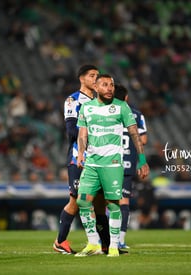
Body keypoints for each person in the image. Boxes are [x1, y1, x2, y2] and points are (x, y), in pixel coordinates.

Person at [75, 74, 150, 257]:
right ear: (96, 87)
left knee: (113, 205)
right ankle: (93, 244)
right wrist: (81, 154)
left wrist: (141, 160)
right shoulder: (86, 107)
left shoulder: (121, 107)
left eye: (112, 85)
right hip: (92, 163)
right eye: (105, 85)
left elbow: (135, 134)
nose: (109, 88)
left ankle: (114, 246)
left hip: (113, 164)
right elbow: (83, 134)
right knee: (82, 201)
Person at [53, 64, 111, 254]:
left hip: (100, 158)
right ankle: (60, 241)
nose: (96, 79)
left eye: (97, 76)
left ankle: (105, 244)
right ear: (82, 78)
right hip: (80, 157)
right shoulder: (73, 100)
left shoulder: (100, 101)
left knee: (101, 203)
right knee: (77, 201)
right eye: (92, 75)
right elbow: (70, 131)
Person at [113, 83, 148, 249]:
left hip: (108, 163)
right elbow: (144, 140)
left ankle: (101, 239)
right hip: (128, 164)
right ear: (126, 97)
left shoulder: (106, 113)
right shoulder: (136, 114)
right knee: (123, 203)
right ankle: (120, 240)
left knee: (104, 202)